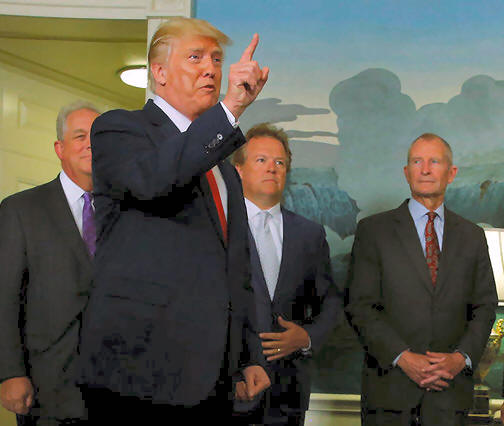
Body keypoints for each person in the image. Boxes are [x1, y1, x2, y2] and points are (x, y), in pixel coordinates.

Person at [77, 17, 270, 422]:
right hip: (139, 373)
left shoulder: (224, 166)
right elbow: (154, 179)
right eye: (195, 57)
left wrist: (249, 355)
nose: (210, 69)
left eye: (216, 59)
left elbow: (238, 268)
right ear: (159, 72)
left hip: (214, 379)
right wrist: (231, 109)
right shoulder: (118, 129)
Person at [346, 133, 498, 425]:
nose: (425, 169)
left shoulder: (472, 236)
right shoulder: (373, 231)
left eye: (434, 161)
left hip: (450, 398)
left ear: (451, 173)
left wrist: (459, 359)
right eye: (417, 161)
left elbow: (485, 306)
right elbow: (360, 306)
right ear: (407, 172)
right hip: (389, 396)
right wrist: (403, 357)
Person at [0, 102, 99, 426]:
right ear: (59, 148)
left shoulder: (125, 212)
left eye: (98, 137)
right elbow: (4, 297)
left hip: (114, 387)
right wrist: (11, 372)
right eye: (80, 136)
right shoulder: (22, 210)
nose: (91, 145)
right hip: (46, 387)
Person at [231, 123, 341, 425]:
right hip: (229, 390)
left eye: (279, 162)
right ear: (239, 170)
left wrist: (307, 337)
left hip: (289, 395)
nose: (272, 168)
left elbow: (331, 302)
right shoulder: (218, 228)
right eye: (261, 160)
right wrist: (234, 372)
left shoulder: (310, 234)